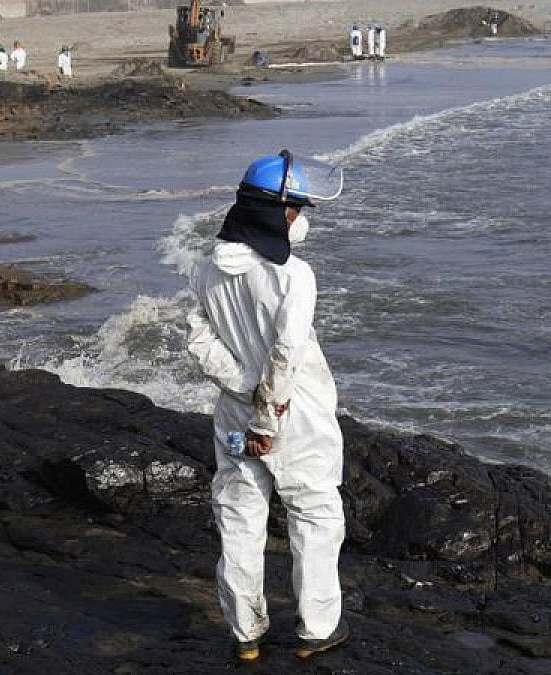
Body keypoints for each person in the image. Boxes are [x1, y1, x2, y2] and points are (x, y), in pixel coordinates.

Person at [187, 150, 348, 663]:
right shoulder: (292, 276)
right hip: (292, 415)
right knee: (314, 514)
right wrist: (266, 416)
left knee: (238, 515)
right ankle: (317, 627)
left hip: (234, 411)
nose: (299, 219)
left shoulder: (206, 268)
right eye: (296, 208)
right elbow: (287, 354)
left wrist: (243, 390)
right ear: (272, 212)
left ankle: (245, 634)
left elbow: (198, 342)